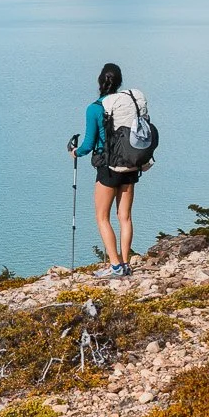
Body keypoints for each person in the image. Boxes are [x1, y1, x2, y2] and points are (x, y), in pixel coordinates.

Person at [71, 62, 147, 277]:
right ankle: (125, 263)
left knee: (102, 217)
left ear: (100, 81)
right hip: (130, 164)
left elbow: (88, 144)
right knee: (125, 216)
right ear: (120, 82)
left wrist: (75, 152)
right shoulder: (127, 104)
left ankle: (114, 266)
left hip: (108, 167)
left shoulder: (95, 108)